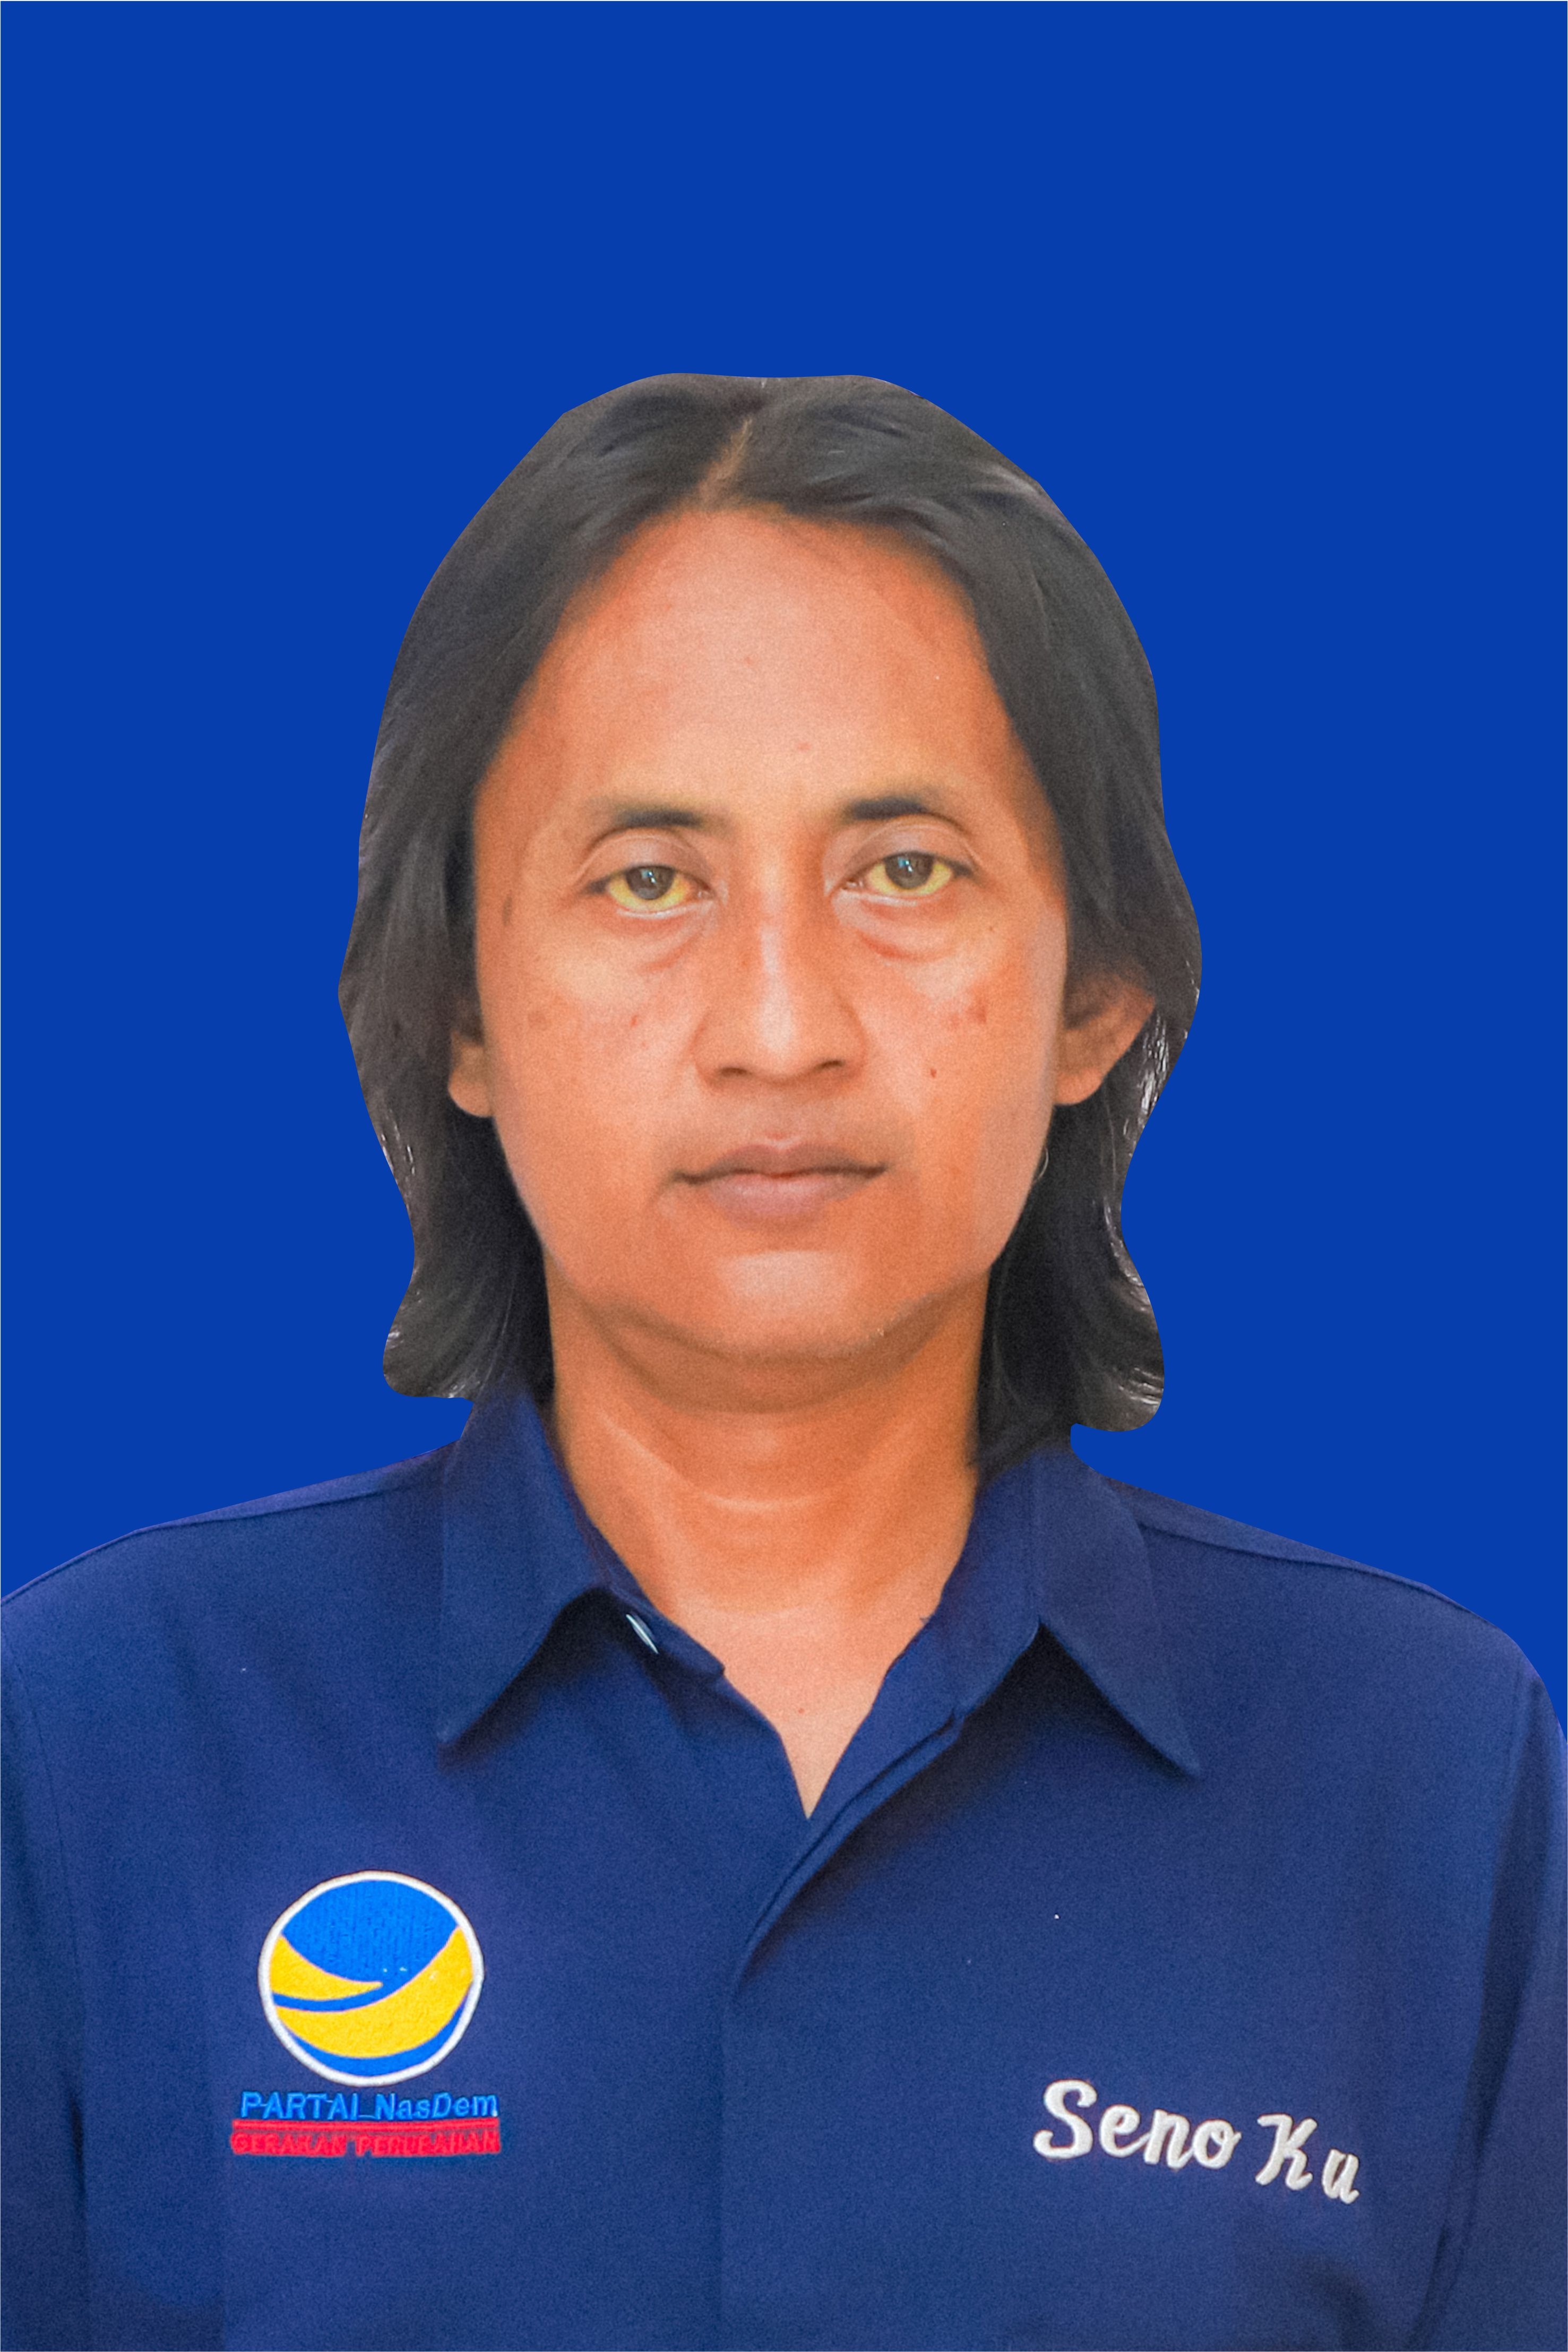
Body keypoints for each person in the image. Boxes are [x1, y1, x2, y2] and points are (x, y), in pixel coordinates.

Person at [3, 375, 1562, 2352]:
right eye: (647, 877)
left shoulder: (1423, 1770)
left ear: (1093, 990)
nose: (776, 1025)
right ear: (455, 1004)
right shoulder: (104, 1735)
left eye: (902, 868)